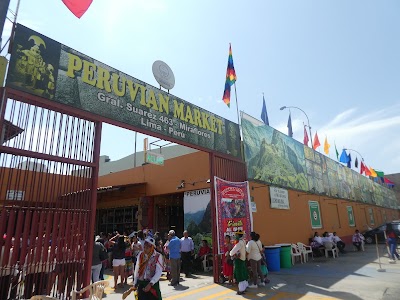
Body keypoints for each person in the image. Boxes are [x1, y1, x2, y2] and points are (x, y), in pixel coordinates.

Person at [230, 231, 249, 295]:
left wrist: (231, 253)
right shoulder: (243, 241)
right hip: (243, 259)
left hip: (239, 260)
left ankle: (241, 290)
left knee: (239, 275)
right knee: (243, 273)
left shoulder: (239, 243)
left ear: (238, 236)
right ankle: (245, 287)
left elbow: (232, 252)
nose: (235, 236)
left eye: (236, 235)